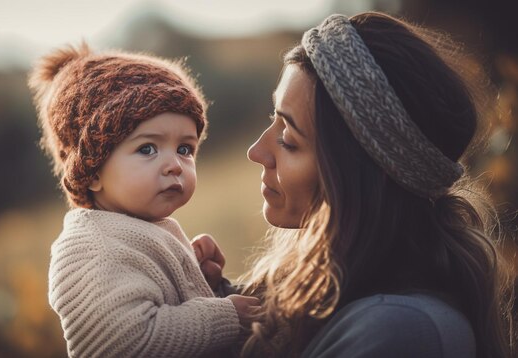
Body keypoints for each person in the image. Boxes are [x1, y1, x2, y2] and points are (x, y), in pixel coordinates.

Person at [232, 11, 514, 358]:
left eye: (288, 139)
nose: (256, 151)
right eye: (272, 118)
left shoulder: (402, 332)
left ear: (360, 172)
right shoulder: (317, 289)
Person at [27, 43, 259, 357]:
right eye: (147, 148)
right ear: (91, 172)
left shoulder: (138, 231)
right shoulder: (91, 248)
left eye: (185, 149)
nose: (175, 164)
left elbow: (163, 314)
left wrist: (202, 285)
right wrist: (226, 316)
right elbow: (127, 343)